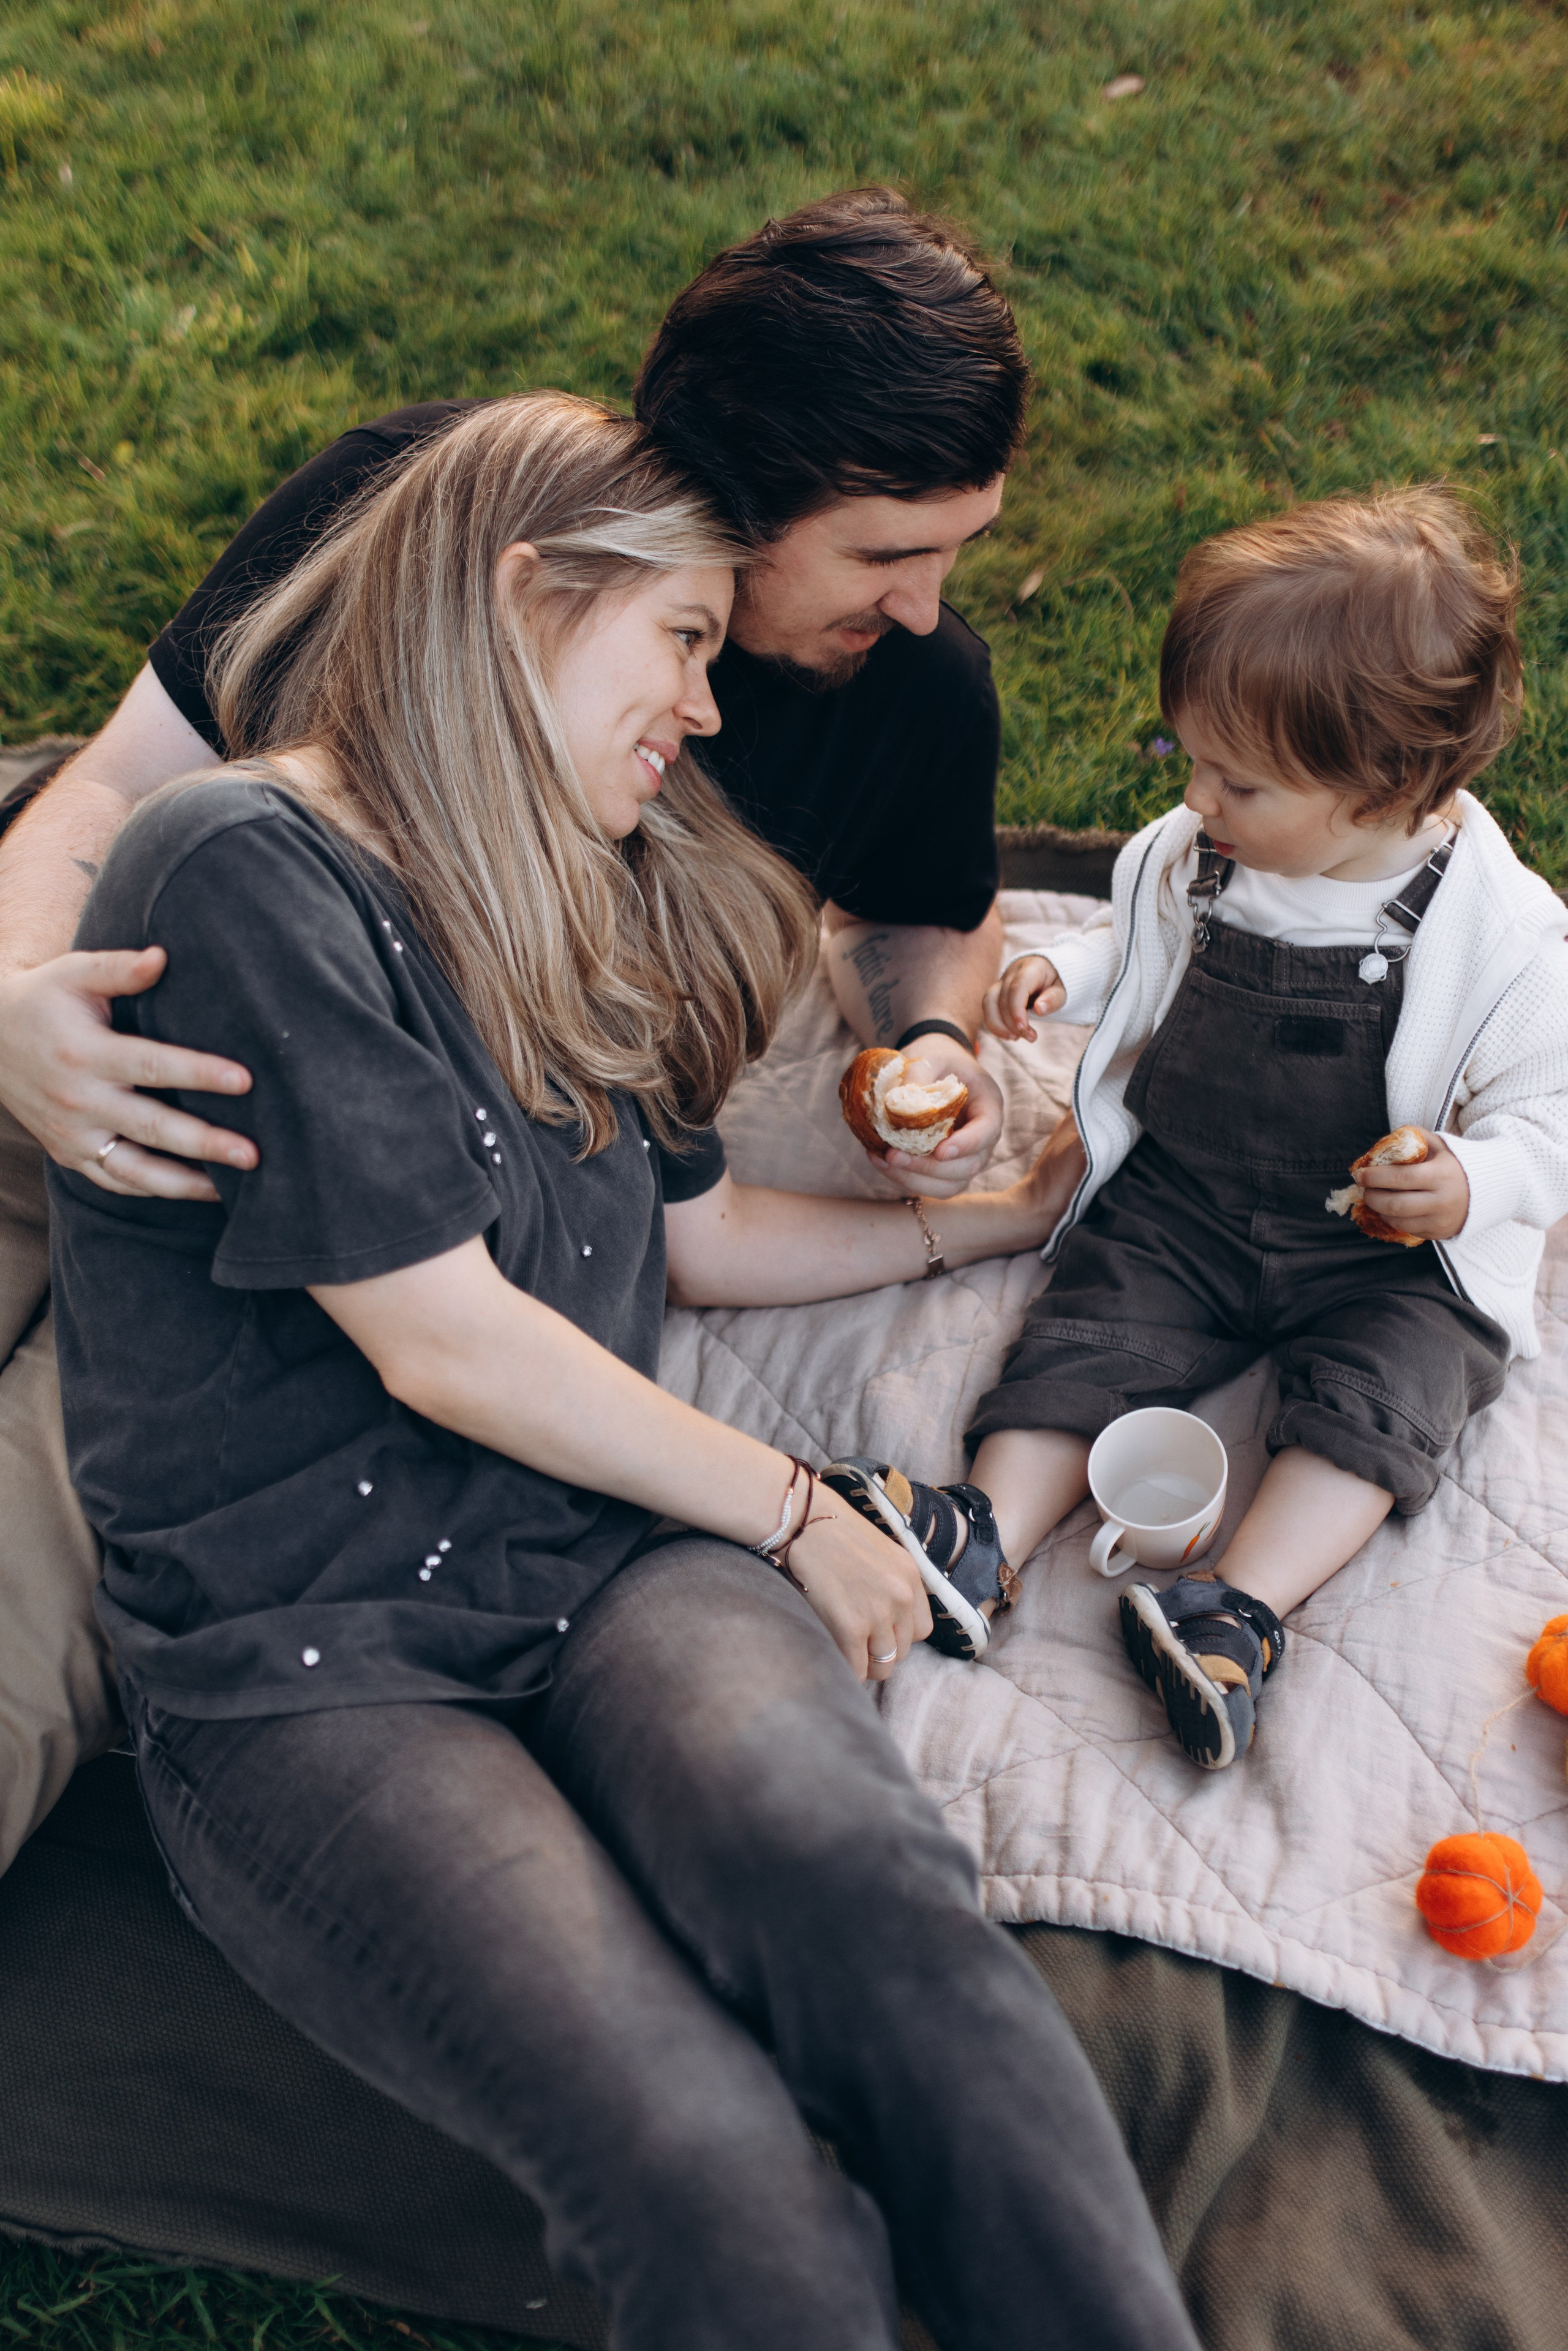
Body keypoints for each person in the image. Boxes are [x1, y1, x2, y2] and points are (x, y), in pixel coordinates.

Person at [47, 392, 1198, 2351]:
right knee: (700, 2157)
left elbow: (685, 1234)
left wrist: (970, 1224)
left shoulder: (573, 880)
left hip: (606, 1565)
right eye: (678, 639)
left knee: (890, 1928)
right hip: (317, 1656)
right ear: (519, 598)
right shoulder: (238, 862)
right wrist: (795, 1505)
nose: (712, 703)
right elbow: (441, 1330)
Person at [0, 185, 1094, 1868]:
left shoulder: (912, 697)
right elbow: (117, 786)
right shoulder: (424, 507)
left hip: (306, 1235)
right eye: (889, 554)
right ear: (736, 496)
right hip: (98, 1034)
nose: (932, 606)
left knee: (31, 1613)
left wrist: (928, 1044)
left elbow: (919, 916)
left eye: (956, 549)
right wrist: (12, 1005)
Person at [820, 488, 1568, 1767]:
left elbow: (1545, 1117)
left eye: (1239, 780)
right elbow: (1152, 938)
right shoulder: (1204, 854)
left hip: (1372, 1247)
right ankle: (983, 1532)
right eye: (1192, 762)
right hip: (1191, 1194)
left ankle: (1231, 1604)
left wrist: (1466, 1178)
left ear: (1383, 784)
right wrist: (1084, 974)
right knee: (1093, 1319)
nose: (1196, 799)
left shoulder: (1499, 938)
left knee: (1387, 1396)